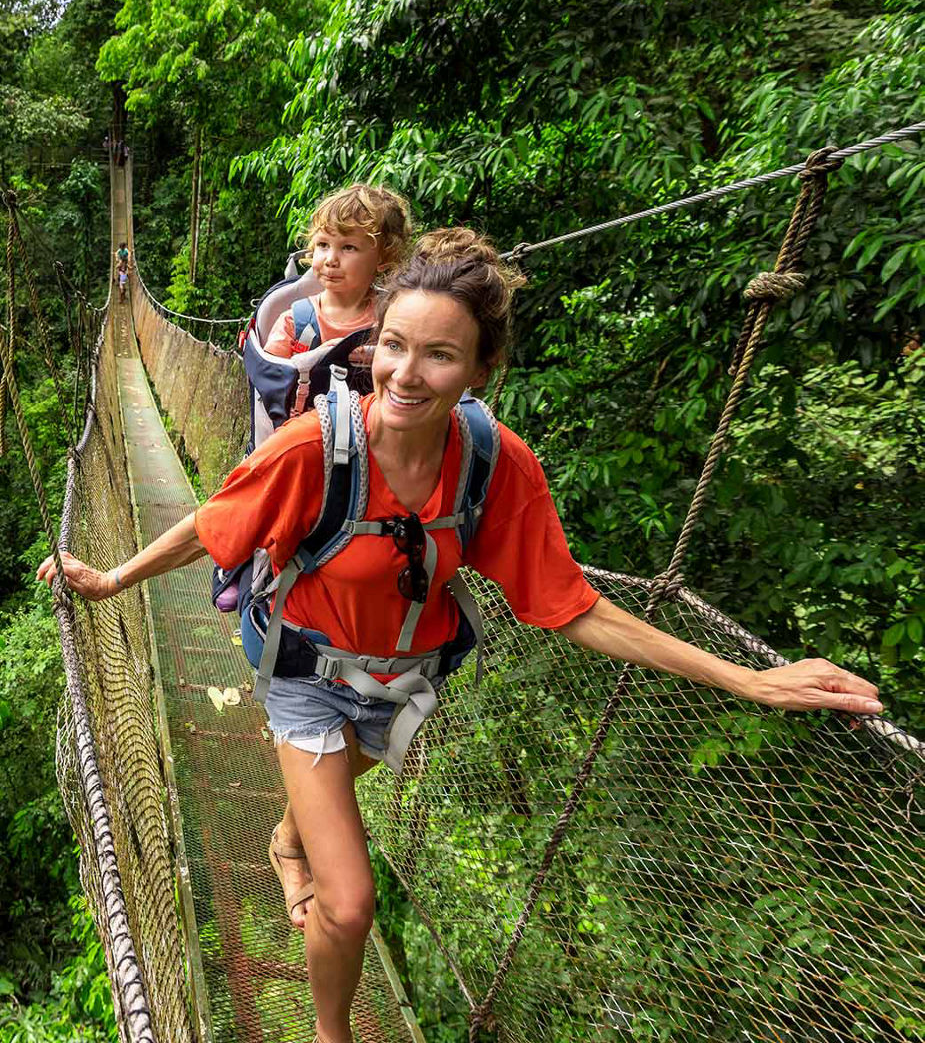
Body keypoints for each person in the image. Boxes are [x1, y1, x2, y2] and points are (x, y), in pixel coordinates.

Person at [38, 234, 883, 1043]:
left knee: (327, 806)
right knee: (350, 902)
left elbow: (570, 605)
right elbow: (210, 526)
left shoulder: (492, 461)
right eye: (393, 346)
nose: (406, 373)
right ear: (372, 344)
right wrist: (110, 579)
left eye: (439, 355)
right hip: (304, 672)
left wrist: (745, 679)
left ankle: (290, 834)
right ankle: (332, 1033)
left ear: (482, 371)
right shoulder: (312, 450)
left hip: (407, 683)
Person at [263, 183, 411, 364]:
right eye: (323, 245)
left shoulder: (391, 319)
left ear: (383, 258)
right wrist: (313, 359)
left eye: (348, 247)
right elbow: (271, 380)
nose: (331, 260)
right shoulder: (294, 322)